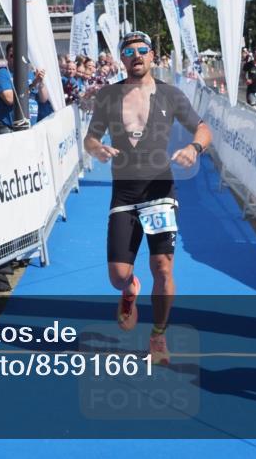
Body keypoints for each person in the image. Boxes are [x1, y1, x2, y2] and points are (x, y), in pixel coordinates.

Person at [83, 31, 211, 366]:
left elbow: (203, 129)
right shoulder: (108, 96)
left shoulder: (171, 94)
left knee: (163, 266)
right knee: (117, 276)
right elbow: (90, 138)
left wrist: (194, 148)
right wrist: (97, 149)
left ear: (153, 55)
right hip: (124, 192)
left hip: (159, 192)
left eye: (143, 50)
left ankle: (158, 336)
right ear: (121, 58)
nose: (137, 55)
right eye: (129, 51)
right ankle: (129, 290)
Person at [0, 43, 49, 135]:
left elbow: (43, 98)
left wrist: (40, 82)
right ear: (7, 57)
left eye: (18, 55)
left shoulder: (30, 74)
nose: (15, 58)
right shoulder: (2, 74)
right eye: (12, 55)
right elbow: (9, 99)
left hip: (29, 126)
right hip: (8, 128)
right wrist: (32, 85)